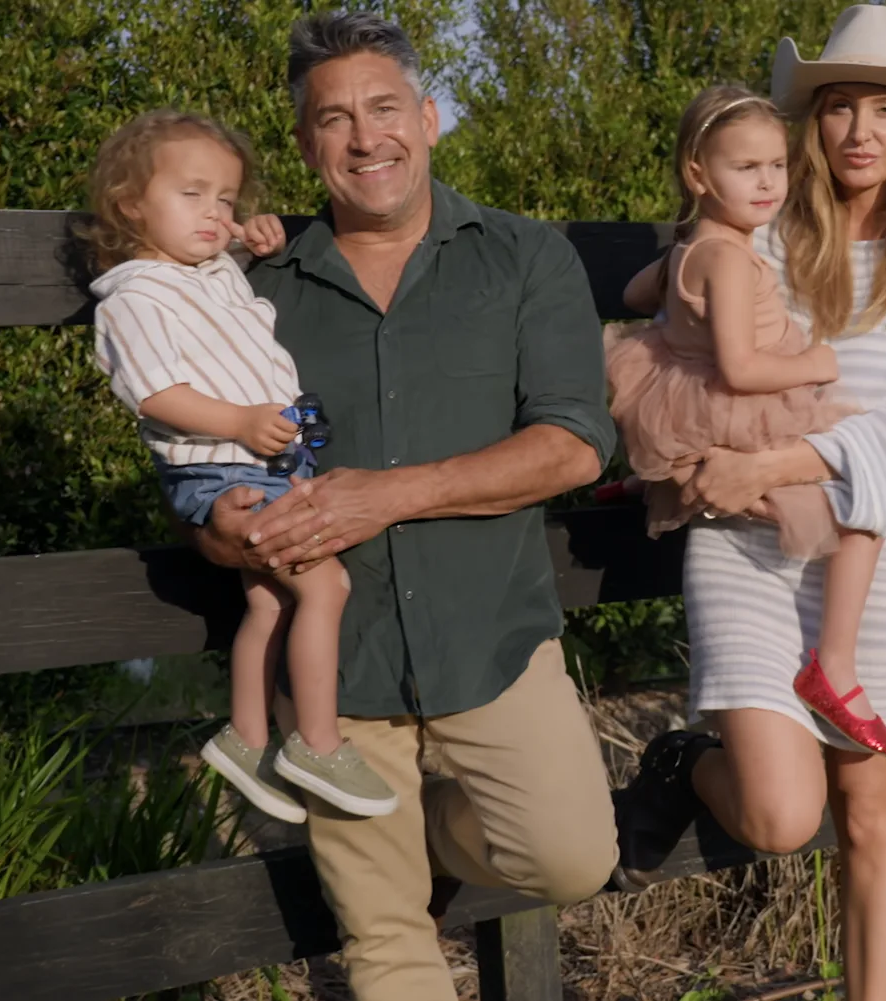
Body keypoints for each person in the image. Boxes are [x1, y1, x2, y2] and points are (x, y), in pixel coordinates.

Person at [179, 11, 619, 1000]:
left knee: (570, 858)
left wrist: (392, 494)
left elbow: (575, 442)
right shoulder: (247, 287)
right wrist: (217, 529)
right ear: (305, 146)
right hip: (339, 674)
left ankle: (423, 830)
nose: (365, 136)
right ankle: (390, 846)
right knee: (383, 941)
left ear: (428, 118)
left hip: (490, 642)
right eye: (334, 119)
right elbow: (189, 455)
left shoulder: (523, 257)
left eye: (385, 108)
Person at [610, 7, 886, 1000]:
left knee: (872, 815)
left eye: (884, 109)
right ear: (812, 124)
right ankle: (683, 764)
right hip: (745, 547)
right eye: (838, 108)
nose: (859, 130)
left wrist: (771, 459)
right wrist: (727, 463)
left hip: (873, 546)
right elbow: (678, 325)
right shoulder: (760, 238)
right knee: (781, 815)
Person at [83, 109, 396, 825]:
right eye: (192, 195)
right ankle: (317, 741)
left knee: (270, 599)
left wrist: (255, 238)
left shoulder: (209, 269)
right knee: (326, 584)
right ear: (132, 204)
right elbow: (156, 393)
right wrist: (242, 423)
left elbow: (237, 273)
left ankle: (249, 736)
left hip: (267, 461)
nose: (214, 212)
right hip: (223, 467)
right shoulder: (135, 295)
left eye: (225, 198)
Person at [605, 83, 886, 756]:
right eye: (747, 168)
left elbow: (632, 294)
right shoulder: (733, 259)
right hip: (742, 412)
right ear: (698, 173)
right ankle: (835, 667)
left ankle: (649, 480)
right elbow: (739, 368)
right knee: (860, 515)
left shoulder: (691, 247)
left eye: (777, 166)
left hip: (686, 403)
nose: (769, 184)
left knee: (709, 467)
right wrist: (817, 362)